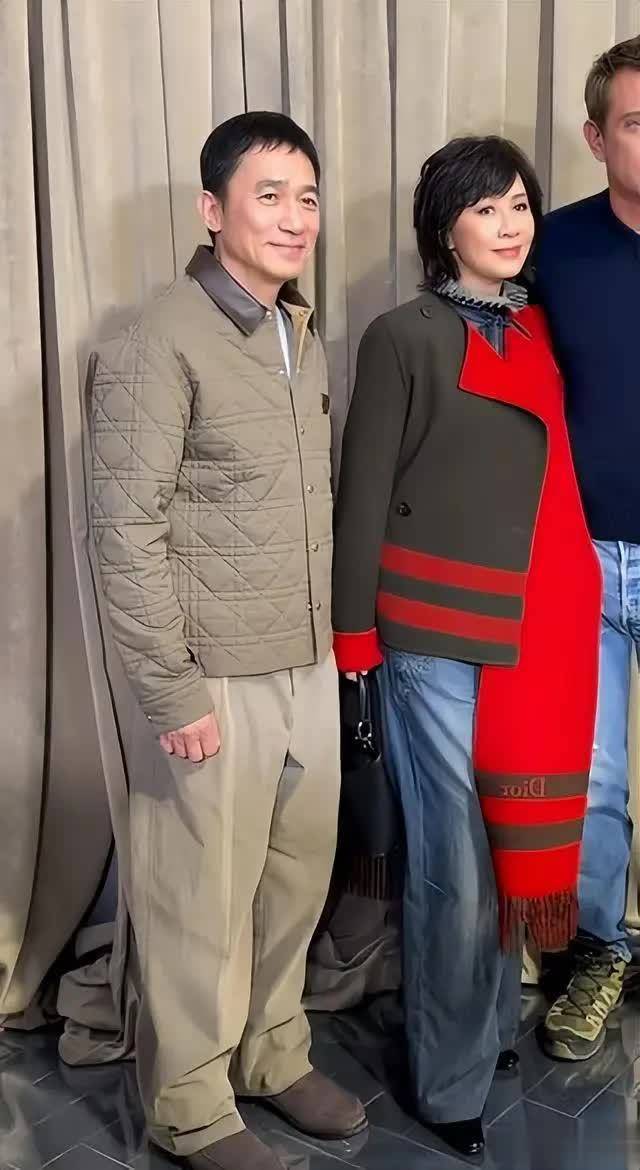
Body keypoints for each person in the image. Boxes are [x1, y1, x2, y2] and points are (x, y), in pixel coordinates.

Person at [88, 111, 366, 1170]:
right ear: (212, 210)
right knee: (197, 898)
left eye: (307, 197)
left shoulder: (301, 330)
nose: (295, 218)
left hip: (304, 659)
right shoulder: (160, 337)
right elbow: (125, 527)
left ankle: (271, 1054)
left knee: (293, 880)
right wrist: (172, 692)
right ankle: (192, 1106)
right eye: (269, 196)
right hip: (212, 674)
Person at [331, 136, 601, 1158]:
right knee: (452, 863)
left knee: (504, 844)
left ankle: (484, 1033)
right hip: (431, 633)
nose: (509, 223)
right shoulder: (401, 336)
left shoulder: (537, 329)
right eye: (486, 207)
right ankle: (446, 1080)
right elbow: (363, 494)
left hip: (531, 629)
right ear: (444, 225)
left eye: (520, 204)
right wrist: (354, 640)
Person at [535, 35, 640, 1062]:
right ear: (597, 137)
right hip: (582, 560)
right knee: (596, 783)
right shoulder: (551, 250)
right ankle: (601, 952)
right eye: (638, 122)